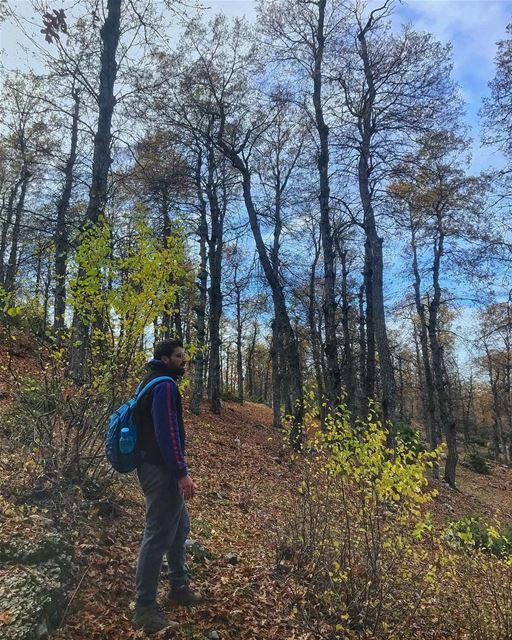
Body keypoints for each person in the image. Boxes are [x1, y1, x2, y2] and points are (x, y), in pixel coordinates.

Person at [132, 338, 202, 634]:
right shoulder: (164, 385)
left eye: (183, 355)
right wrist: (181, 472)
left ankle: (178, 585)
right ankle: (144, 608)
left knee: (180, 526)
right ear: (164, 358)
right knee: (158, 535)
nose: (182, 360)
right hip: (160, 470)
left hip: (153, 466)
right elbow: (167, 432)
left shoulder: (152, 381)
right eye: (177, 356)